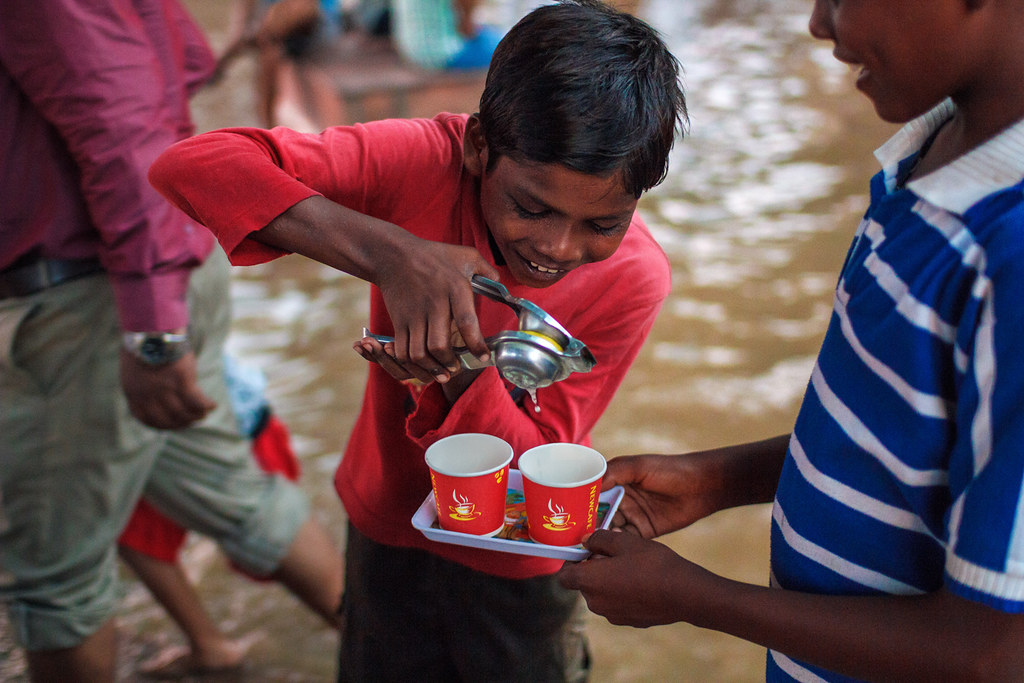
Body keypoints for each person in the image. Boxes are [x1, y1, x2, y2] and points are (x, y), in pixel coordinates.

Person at [149, 0, 687, 679]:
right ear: (478, 148)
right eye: (530, 206)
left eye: (600, 224)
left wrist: (459, 377)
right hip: (390, 520)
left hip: (518, 553)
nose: (556, 245)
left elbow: (542, 460)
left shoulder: (633, 277)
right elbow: (192, 164)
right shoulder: (421, 162)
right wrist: (392, 252)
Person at [557, 0, 1024, 680]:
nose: (818, 23)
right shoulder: (927, 162)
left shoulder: (1008, 255)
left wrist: (695, 596)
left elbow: (991, 652)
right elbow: (895, 444)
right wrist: (716, 479)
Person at [0, 2, 342, 681]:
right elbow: (185, 60)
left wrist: (153, 334)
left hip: (93, 299)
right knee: (232, 492)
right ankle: (404, 656)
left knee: (53, 579)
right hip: (146, 274)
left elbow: (125, 139)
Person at [117, 357, 301, 677]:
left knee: (264, 522)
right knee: (130, 522)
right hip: (222, 405)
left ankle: (210, 645)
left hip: (181, 403)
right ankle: (209, 645)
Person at [214, 0, 344, 127]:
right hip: (292, 39)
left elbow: (242, 33)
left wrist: (221, 63)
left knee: (271, 50)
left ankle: (269, 124)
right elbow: (242, 32)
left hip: (308, 37)